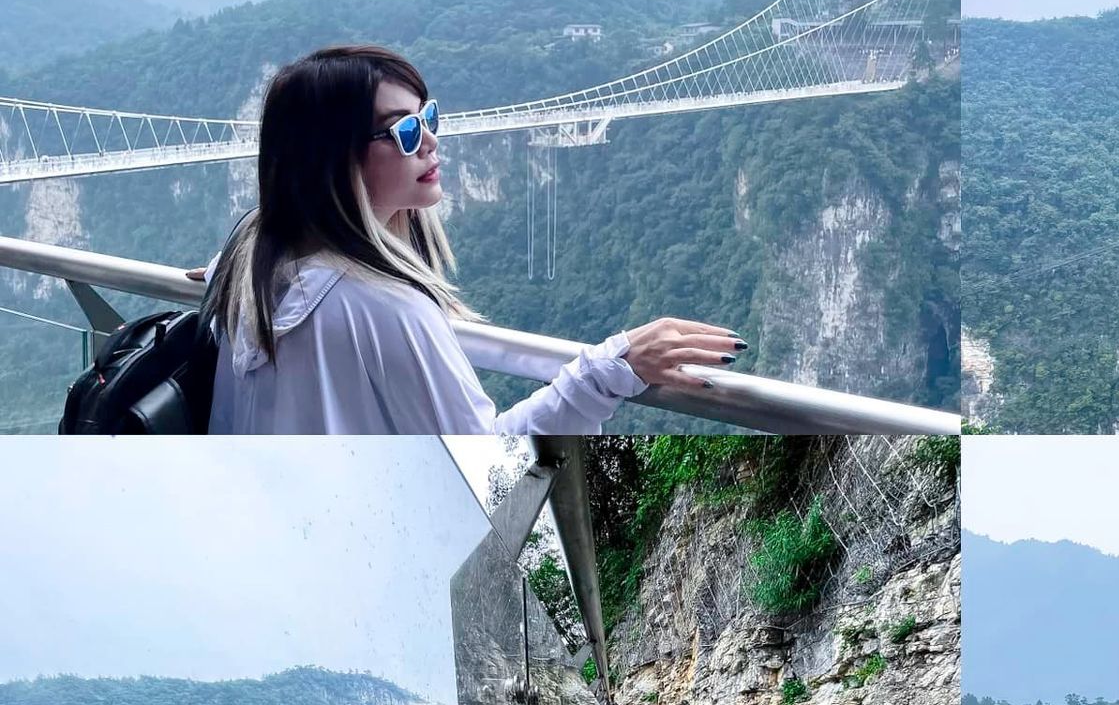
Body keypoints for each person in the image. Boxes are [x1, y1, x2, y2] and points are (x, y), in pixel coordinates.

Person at [204, 46, 743, 433]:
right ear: (333, 157)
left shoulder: (250, 259)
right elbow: (487, 471)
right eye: (405, 131)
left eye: (428, 116)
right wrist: (607, 372)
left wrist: (217, 272)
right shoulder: (385, 307)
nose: (433, 140)